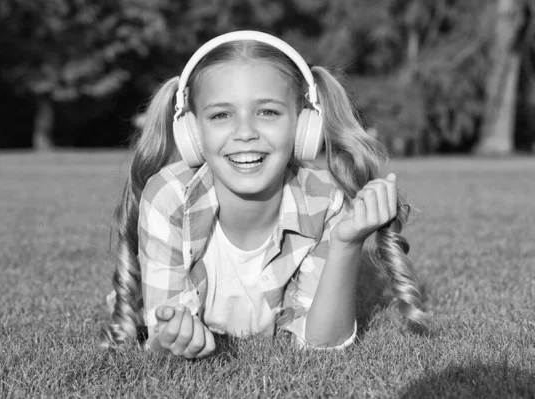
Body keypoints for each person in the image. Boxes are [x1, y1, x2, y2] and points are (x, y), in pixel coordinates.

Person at [101, 31, 429, 358]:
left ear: (304, 127)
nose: (245, 132)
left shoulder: (324, 200)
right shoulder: (168, 195)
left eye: (268, 112)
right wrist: (171, 338)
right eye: (221, 115)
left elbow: (322, 343)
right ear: (192, 133)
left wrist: (347, 242)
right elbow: (162, 338)